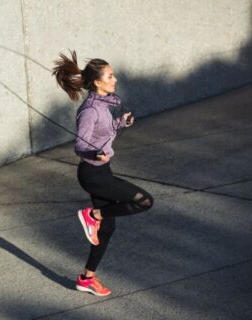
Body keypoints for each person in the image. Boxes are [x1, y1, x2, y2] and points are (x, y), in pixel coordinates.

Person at [53, 51, 154, 296]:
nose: (115, 79)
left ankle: (87, 278)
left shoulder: (104, 106)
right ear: (98, 82)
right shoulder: (90, 111)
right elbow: (81, 146)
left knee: (107, 229)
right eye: (110, 76)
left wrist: (120, 124)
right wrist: (93, 154)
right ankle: (93, 214)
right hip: (93, 175)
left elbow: (103, 136)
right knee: (144, 201)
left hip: (101, 171)